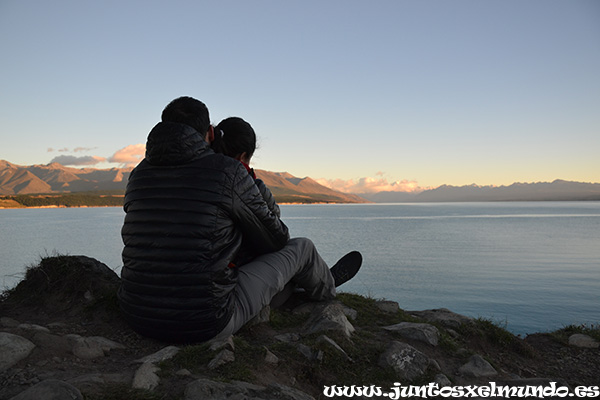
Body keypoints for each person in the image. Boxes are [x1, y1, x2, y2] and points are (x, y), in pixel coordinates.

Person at [118, 96, 362, 343]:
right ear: (210, 133)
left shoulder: (138, 174)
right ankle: (326, 290)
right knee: (303, 248)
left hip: (137, 314)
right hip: (203, 322)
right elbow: (275, 240)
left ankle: (295, 291)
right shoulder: (227, 171)